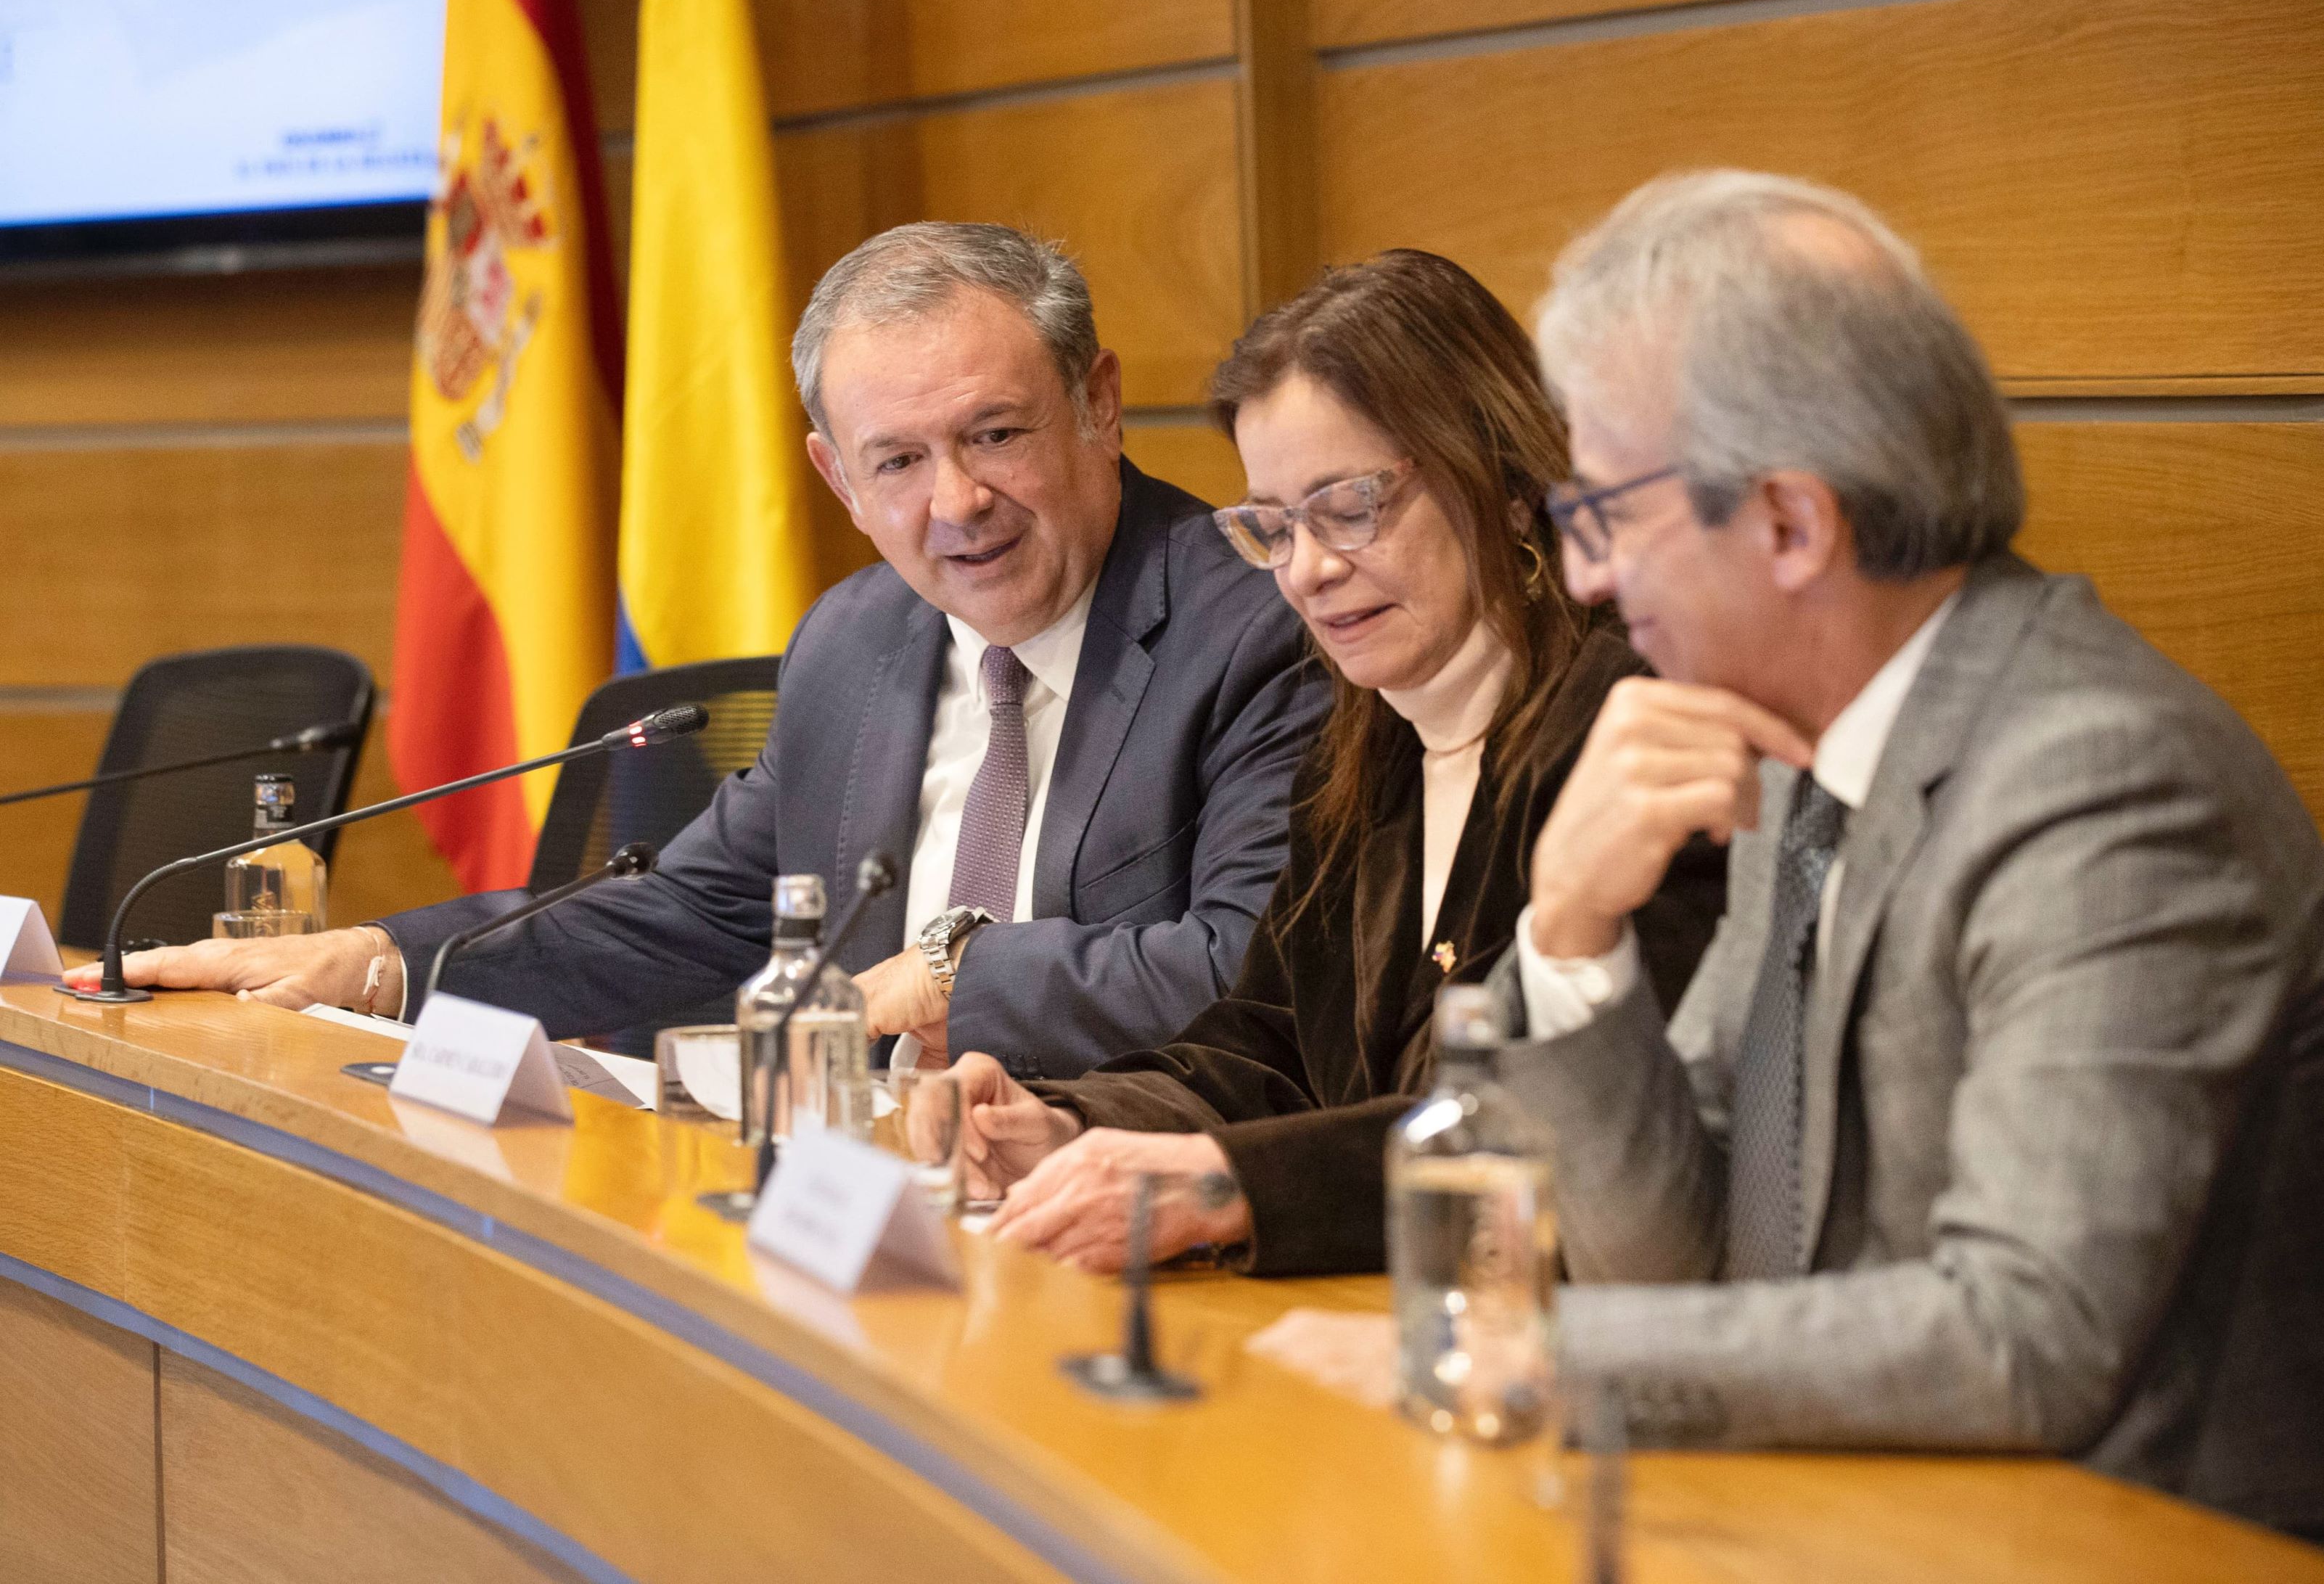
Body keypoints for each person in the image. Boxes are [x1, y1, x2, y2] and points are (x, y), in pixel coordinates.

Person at [1490, 170, 2324, 1535]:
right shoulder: (1800, 754)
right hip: (1856, 1519)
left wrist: (1526, 1359)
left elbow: (2024, 1332)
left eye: (1608, 514)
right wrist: (1571, 934)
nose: (1585, 577)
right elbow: (1681, 1264)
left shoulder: (2099, 779)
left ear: (1790, 522)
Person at [77, 223, 1331, 1079]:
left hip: (1119, 1194)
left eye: (996, 433)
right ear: (838, 479)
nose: (956, 502)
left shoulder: (1262, 623)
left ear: (1100, 403)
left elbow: (1255, 964)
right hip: (852, 1183)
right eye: (898, 461)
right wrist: (381, 964)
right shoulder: (857, 643)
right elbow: (693, 911)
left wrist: (954, 972)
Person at [935, 250, 1725, 1276]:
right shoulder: (1365, 741)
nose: (1307, 570)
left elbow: (1561, 1136)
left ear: (1503, 478)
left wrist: (1227, 1184)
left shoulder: (1628, 732)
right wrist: (1068, 1122)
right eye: (1272, 525)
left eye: (1350, 507)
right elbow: (1263, 1044)